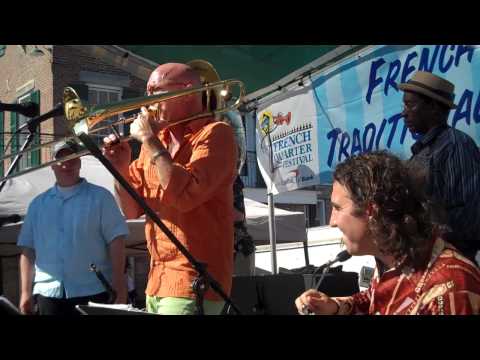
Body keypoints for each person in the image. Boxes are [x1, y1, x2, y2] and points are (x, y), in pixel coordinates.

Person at [103, 63, 238, 315]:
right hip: (157, 281)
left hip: (194, 280)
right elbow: (131, 210)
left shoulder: (216, 133)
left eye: (154, 91)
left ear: (187, 91)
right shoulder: (154, 142)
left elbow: (185, 196)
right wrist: (119, 168)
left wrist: (150, 141)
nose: (147, 101)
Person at [295, 151, 480, 315]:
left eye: (337, 208)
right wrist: (335, 307)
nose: (331, 222)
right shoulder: (391, 259)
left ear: (371, 212)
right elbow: (378, 298)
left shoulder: (448, 288)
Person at [17, 140, 129, 315]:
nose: (66, 164)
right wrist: (25, 292)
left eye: (72, 158)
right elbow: (28, 250)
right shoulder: (37, 205)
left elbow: (117, 241)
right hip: (48, 293)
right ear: (52, 165)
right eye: (61, 160)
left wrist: (119, 284)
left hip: (93, 290)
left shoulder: (101, 198)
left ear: (80, 162)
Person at [399, 71, 480, 263]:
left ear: (434, 107)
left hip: (449, 265)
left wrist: (427, 239)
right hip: (427, 263)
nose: (404, 112)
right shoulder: (421, 153)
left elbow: (469, 214)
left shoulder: (456, 145)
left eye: (410, 105)